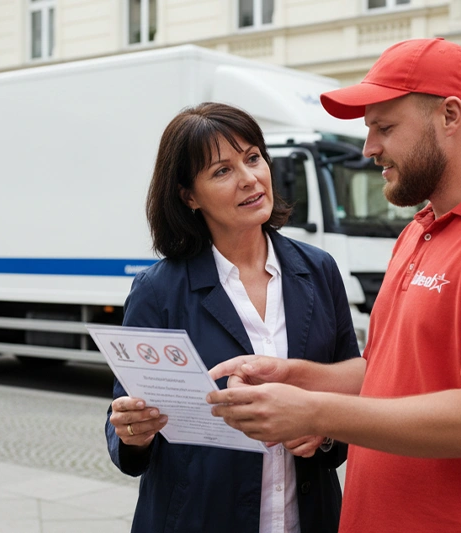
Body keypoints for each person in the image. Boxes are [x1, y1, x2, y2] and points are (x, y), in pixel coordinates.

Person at [207, 38, 461, 533]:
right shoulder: (420, 229)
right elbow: (389, 375)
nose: (369, 148)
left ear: (450, 115)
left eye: (383, 128)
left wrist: (316, 412)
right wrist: (294, 376)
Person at [104, 102, 363, 533]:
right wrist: (133, 431)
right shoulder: (159, 290)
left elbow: (352, 390)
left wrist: (325, 430)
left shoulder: (318, 270)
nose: (249, 179)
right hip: (197, 517)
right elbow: (125, 426)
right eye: (222, 171)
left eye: (253, 157)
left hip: (309, 516)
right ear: (189, 196)